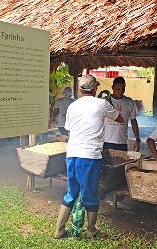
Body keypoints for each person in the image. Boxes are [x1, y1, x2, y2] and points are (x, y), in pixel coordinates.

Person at [54, 74, 123, 239]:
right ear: (96, 88)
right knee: (90, 193)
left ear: (79, 89)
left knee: (71, 192)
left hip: (72, 154)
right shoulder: (102, 103)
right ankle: (91, 230)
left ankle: (59, 230)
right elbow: (120, 119)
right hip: (90, 156)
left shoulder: (73, 106)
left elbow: (70, 130)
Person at [103, 76, 140, 152]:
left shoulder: (129, 102)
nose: (120, 91)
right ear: (112, 87)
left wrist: (137, 139)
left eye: (123, 89)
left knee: (121, 163)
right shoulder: (105, 101)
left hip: (122, 142)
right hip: (106, 141)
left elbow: (133, 122)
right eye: (118, 89)